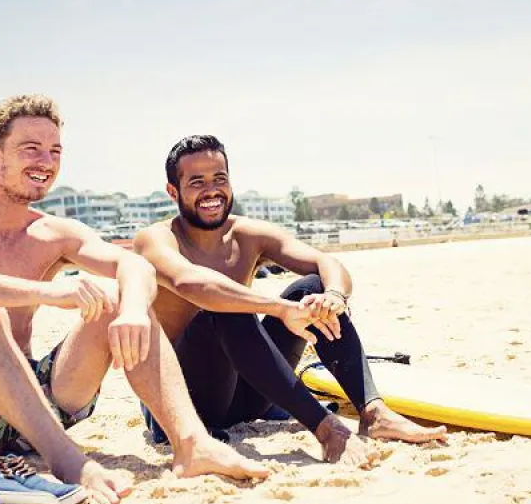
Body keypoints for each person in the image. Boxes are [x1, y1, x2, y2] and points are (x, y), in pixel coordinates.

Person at [0, 96, 268, 504]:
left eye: (54, 150)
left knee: (119, 294)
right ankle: (70, 464)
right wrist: (47, 292)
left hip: (34, 408)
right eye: (31, 149)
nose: (46, 161)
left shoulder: (52, 233)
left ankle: (193, 445)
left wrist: (133, 310)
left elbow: (131, 263)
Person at [134, 135, 447, 468]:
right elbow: (191, 283)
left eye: (220, 179)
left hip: (250, 393)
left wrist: (332, 297)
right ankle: (328, 430)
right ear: (173, 192)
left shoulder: (249, 234)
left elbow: (326, 264)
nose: (212, 190)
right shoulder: (156, 239)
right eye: (197, 182)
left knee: (309, 289)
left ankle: (374, 412)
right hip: (185, 398)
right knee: (226, 306)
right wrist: (279, 310)